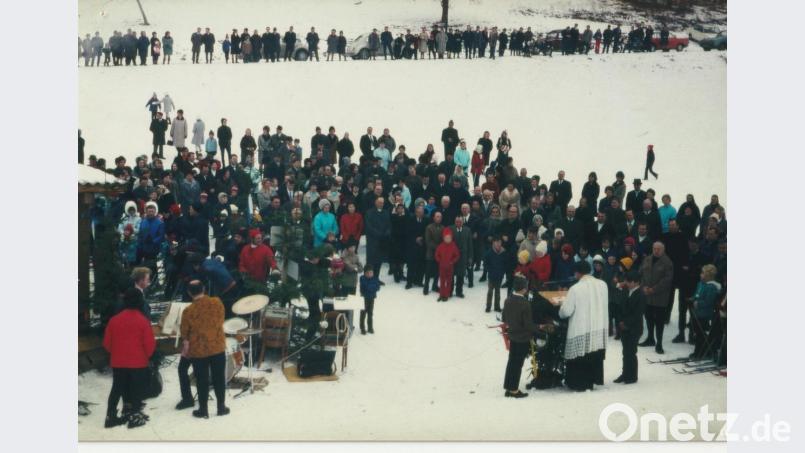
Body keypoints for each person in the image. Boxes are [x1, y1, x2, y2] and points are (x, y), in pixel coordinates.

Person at [549, 261, 608, 391]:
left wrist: (560, 308)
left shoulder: (575, 288)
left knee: (580, 358)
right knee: (593, 353)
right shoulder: (603, 285)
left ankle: (578, 383)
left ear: (577, 273)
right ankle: (592, 380)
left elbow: (566, 311)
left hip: (581, 328)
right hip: (598, 327)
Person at [103, 288, 155, 428]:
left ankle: (110, 416)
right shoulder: (143, 321)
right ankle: (135, 415)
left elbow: (107, 344)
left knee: (117, 388)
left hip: (118, 362)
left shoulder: (114, 320)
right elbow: (149, 344)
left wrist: (117, 353)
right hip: (138, 362)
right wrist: (147, 356)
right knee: (137, 388)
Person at [180, 280, 229, 419]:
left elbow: (185, 333)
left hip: (199, 350)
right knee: (219, 377)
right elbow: (221, 320)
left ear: (189, 293)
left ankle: (203, 410)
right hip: (217, 346)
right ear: (204, 289)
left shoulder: (188, 311)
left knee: (202, 380)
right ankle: (221, 407)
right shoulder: (217, 302)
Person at [501, 275, 539, 398]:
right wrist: (539, 328)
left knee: (512, 362)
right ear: (523, 289)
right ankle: (513, 390)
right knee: (518, 364)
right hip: (523, 338)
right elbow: (528, 324)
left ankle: (509, 387)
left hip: (512, 335)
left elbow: (504, 318)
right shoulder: (525, 303)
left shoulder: (508, 300)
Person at [638, 242, 674, 354]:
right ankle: (650, 338)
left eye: (659, 249)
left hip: (660, 297)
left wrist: (654, 289)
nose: (656, 251)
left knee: (659, 321)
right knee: (648, 318)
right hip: (647, 296)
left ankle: (659, 343)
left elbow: (667, 280)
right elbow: (641, 274)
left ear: (663, 250)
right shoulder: (647, 259)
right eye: (654, 248)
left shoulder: (667, 262)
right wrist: (643, 287)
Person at [689, 264, 721, 359]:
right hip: (697, 313)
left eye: (703, 273)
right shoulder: (700, 284)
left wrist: (698, 303)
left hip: (705, 314)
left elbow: (709, 301)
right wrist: (692, 299)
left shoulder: (711, 287)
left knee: (701, 334)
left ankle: (700, 352)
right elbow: (697, 294)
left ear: (708, 275)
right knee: (696, 332)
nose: (701, 275)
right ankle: (699, 351)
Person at [434, 227, 460, 302]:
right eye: (446, 238)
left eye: (449, 238)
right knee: (442, 281)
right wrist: (439, 260)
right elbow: (437, 254)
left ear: (451, 238)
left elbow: (457, 255)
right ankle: (441, 294)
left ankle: (446, 295)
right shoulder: (441, 246)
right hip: (442, 266)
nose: (447, 239)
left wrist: (452, 261)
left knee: (449, 281)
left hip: (450, 267)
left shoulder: (453, 246)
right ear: (443, 238)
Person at [484, 236, 507, 312]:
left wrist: (503, 271)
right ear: (493, 243)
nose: (498, 244)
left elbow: (505, 264)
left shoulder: (503, 253)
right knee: (490, 292)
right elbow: (485, 263)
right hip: (491, 275)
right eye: (496, 242)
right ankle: (488, 306)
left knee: (498, 292)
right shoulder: (489, 253)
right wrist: (489, 270)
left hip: (499, 275)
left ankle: (497, 306)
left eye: (499, 242)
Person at [359, 265, 381, 334]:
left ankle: (370, 327)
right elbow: (365, 287)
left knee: (370, 313)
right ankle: (362, 328)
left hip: (371, 298)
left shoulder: (375, 278)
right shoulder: (362, 278)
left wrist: (371, 287)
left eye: (371, 273)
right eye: (367, 273)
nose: (369, 274)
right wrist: (372, 287)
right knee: (363, 313)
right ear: (365, 273)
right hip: (364, 299)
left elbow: (378, 287)